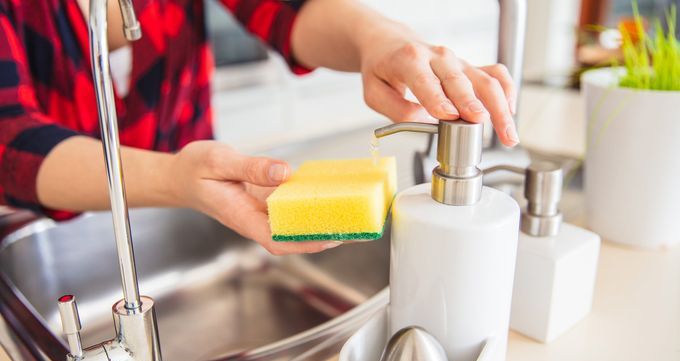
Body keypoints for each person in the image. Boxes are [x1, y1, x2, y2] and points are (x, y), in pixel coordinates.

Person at [0, 0, 519, 256]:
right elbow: (12, 141)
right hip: (57, 249)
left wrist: (379, 38)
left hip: (191, 225)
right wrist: (176, 178)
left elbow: (292, 11)